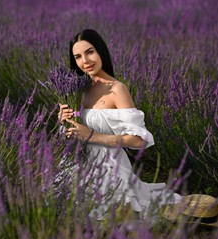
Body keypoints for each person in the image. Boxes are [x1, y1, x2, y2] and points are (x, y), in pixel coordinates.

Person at [58, 29, 182, 220]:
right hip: (80, 161)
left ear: (101, 51)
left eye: (90, 52)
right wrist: (64, 122)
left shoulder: (117, 89)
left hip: (110, 166)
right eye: (78, 56)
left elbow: (138, 140)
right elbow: (73, 134)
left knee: (104, 213)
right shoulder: (78, 90)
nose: (85, 61)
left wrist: (92, 136)